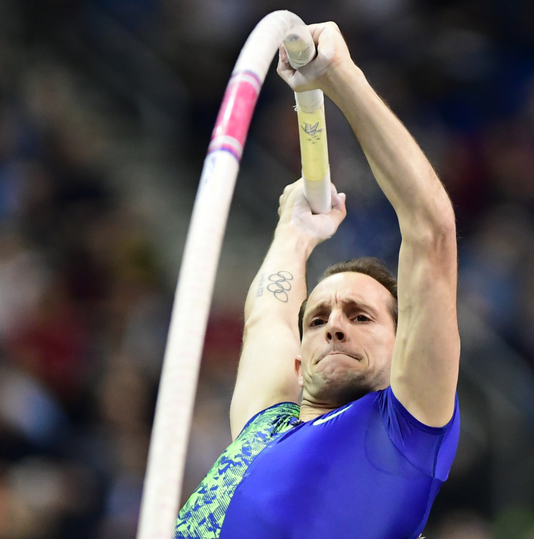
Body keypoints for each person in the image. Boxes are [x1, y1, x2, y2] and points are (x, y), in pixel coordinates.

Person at [175, 21, 460, 539]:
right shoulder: (264, 423)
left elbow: (431, 229)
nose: (334, 326)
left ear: (405, 349)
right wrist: (296, 233)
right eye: (318, 319)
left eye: (361, 316)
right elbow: (268, 317)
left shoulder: (405, 432)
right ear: (298, 359)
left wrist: (339, 75)